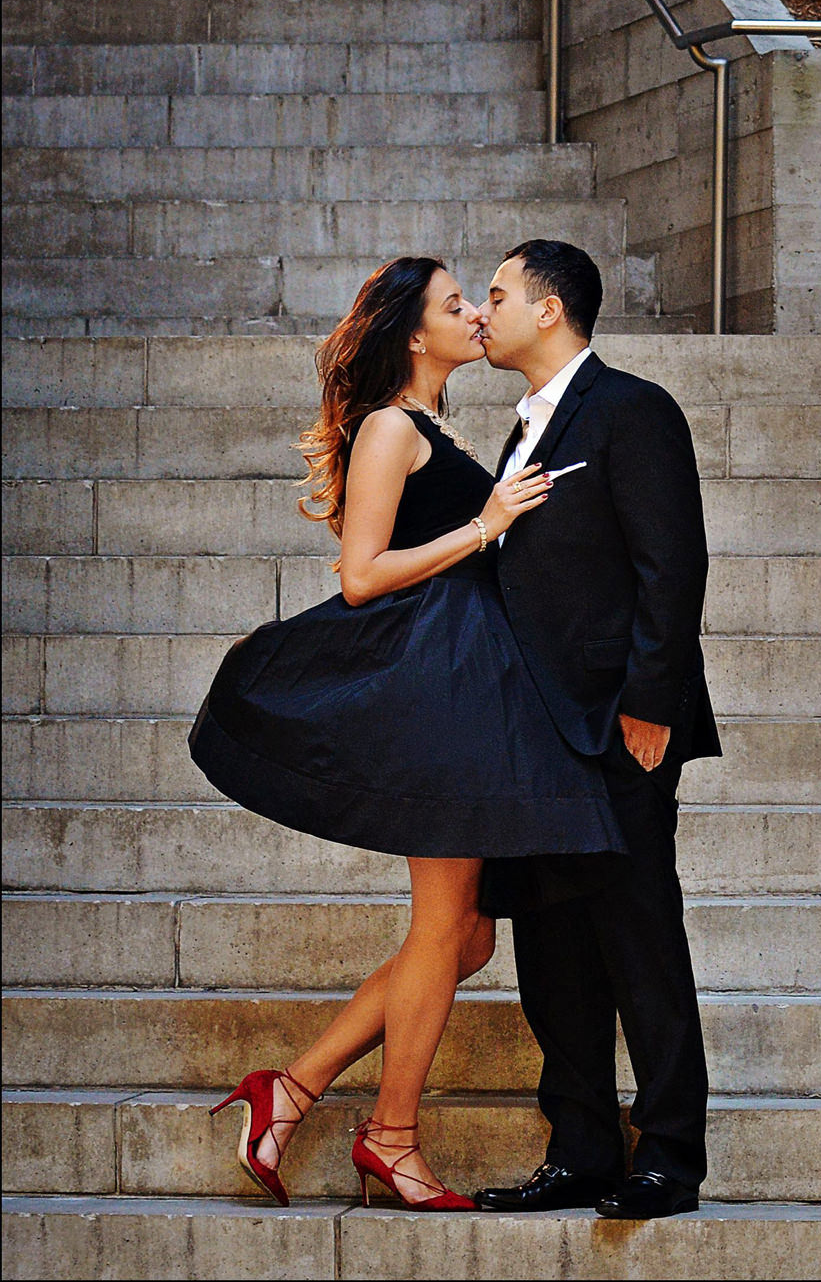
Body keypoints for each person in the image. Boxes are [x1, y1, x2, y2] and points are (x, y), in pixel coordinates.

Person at [190, 256, 618, 1212]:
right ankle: (392, 1138)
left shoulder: (431, 427)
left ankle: (291, 1087)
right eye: (455, 303)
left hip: (463, 689)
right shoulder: (390, 426)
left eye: (478, 298)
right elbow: (360, 574)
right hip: (437, 691)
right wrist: (485, 524)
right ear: (414, 335)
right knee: (445, 927)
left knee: (464, 939)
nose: (474, 313)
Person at [469, 240, 719, 1222]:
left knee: (637, 934)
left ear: (552, 308)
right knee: (552, 948)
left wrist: (651, 703)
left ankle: (667, 1156)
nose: (482, 312)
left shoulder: (630, 411)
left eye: (496, 294)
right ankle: (581, 1148)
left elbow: (672, 564)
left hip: (617, 726)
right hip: (532, 738)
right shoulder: (522, 429)